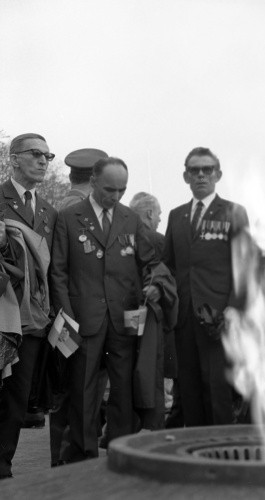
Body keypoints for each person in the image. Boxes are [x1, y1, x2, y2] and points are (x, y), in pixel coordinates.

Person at [50, 156, 164, 462]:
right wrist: (67, 315)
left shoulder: (131, 219)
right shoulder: (69, 217)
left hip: (123, 319)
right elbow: (58, 271)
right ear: (94, 182)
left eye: (122, 190)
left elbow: (149, 262)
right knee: (83, 390)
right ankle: (83, 454)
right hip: (82, 318)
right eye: (109, 190)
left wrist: (154, 284)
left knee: (123, 389)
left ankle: (119, 448)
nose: (115, 196)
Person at [162, 147, 249, 426]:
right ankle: (196, 457)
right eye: (195, 170)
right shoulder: (176, 216)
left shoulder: (234, 212)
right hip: (185, 318)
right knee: (188, 391)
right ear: (186, 176)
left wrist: (233, 310)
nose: (201, 175)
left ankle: (223, 456)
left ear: (218, 174)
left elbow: (245, 267)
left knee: (218, 391)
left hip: (219, 318)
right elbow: (169, 266)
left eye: (207, 170)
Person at [0, 133, 57, 479]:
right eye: (35, 154)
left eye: (47, 156)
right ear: (14, 159)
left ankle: (2, 467)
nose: (42, 161)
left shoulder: (50, 211)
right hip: (1, 312)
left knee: (17, 400)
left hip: (32, 319)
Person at [49, 147, 109, 466]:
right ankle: (68, 467)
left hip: (79, 318)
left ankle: (68, 464)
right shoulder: (75, 208)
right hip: (75, 320)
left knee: (77, 393)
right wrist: (69, 317)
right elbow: (60, 269)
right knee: (75, 394)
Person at [129, 192, 178, 430]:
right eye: (158, 214)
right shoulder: (157, 241)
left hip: (127, 318)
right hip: (153, 320)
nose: (159, 219)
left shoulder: (124, 236)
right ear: (149, 213)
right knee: (152, 377)